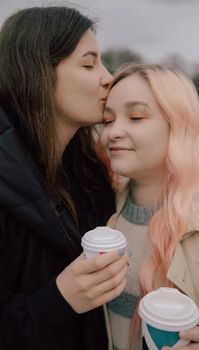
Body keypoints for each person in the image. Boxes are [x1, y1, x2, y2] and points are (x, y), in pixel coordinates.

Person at [0, 6, 129, 350]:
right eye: (89, 64)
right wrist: (58, 301)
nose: (108, 77)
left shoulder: (91, 173)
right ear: (36, 72)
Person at [100, 63, 199, 350]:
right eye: (108, 120)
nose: (113, 132)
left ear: (179, 125)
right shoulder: (97, 211)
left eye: (135, 117)